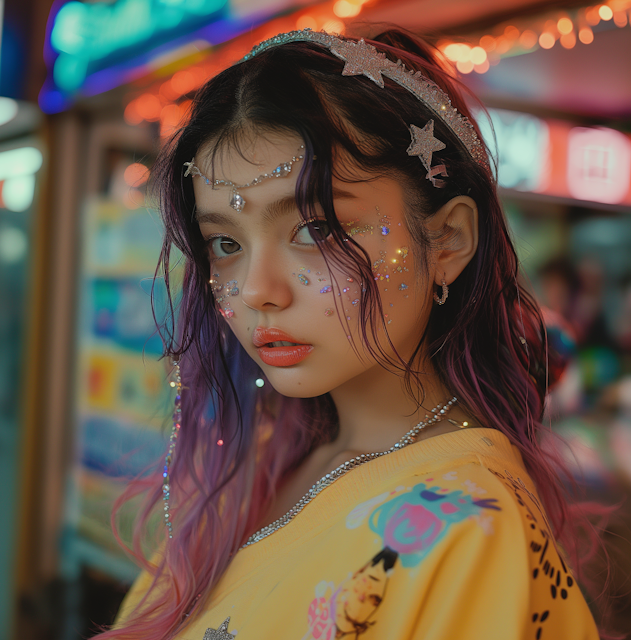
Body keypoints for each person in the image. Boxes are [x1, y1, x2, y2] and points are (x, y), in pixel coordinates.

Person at [100, 27, 604, 640]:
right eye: (225, 244)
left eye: (316, 230)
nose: (258, 289)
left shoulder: (468, 532)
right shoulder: (259, 462)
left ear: (447, 241)